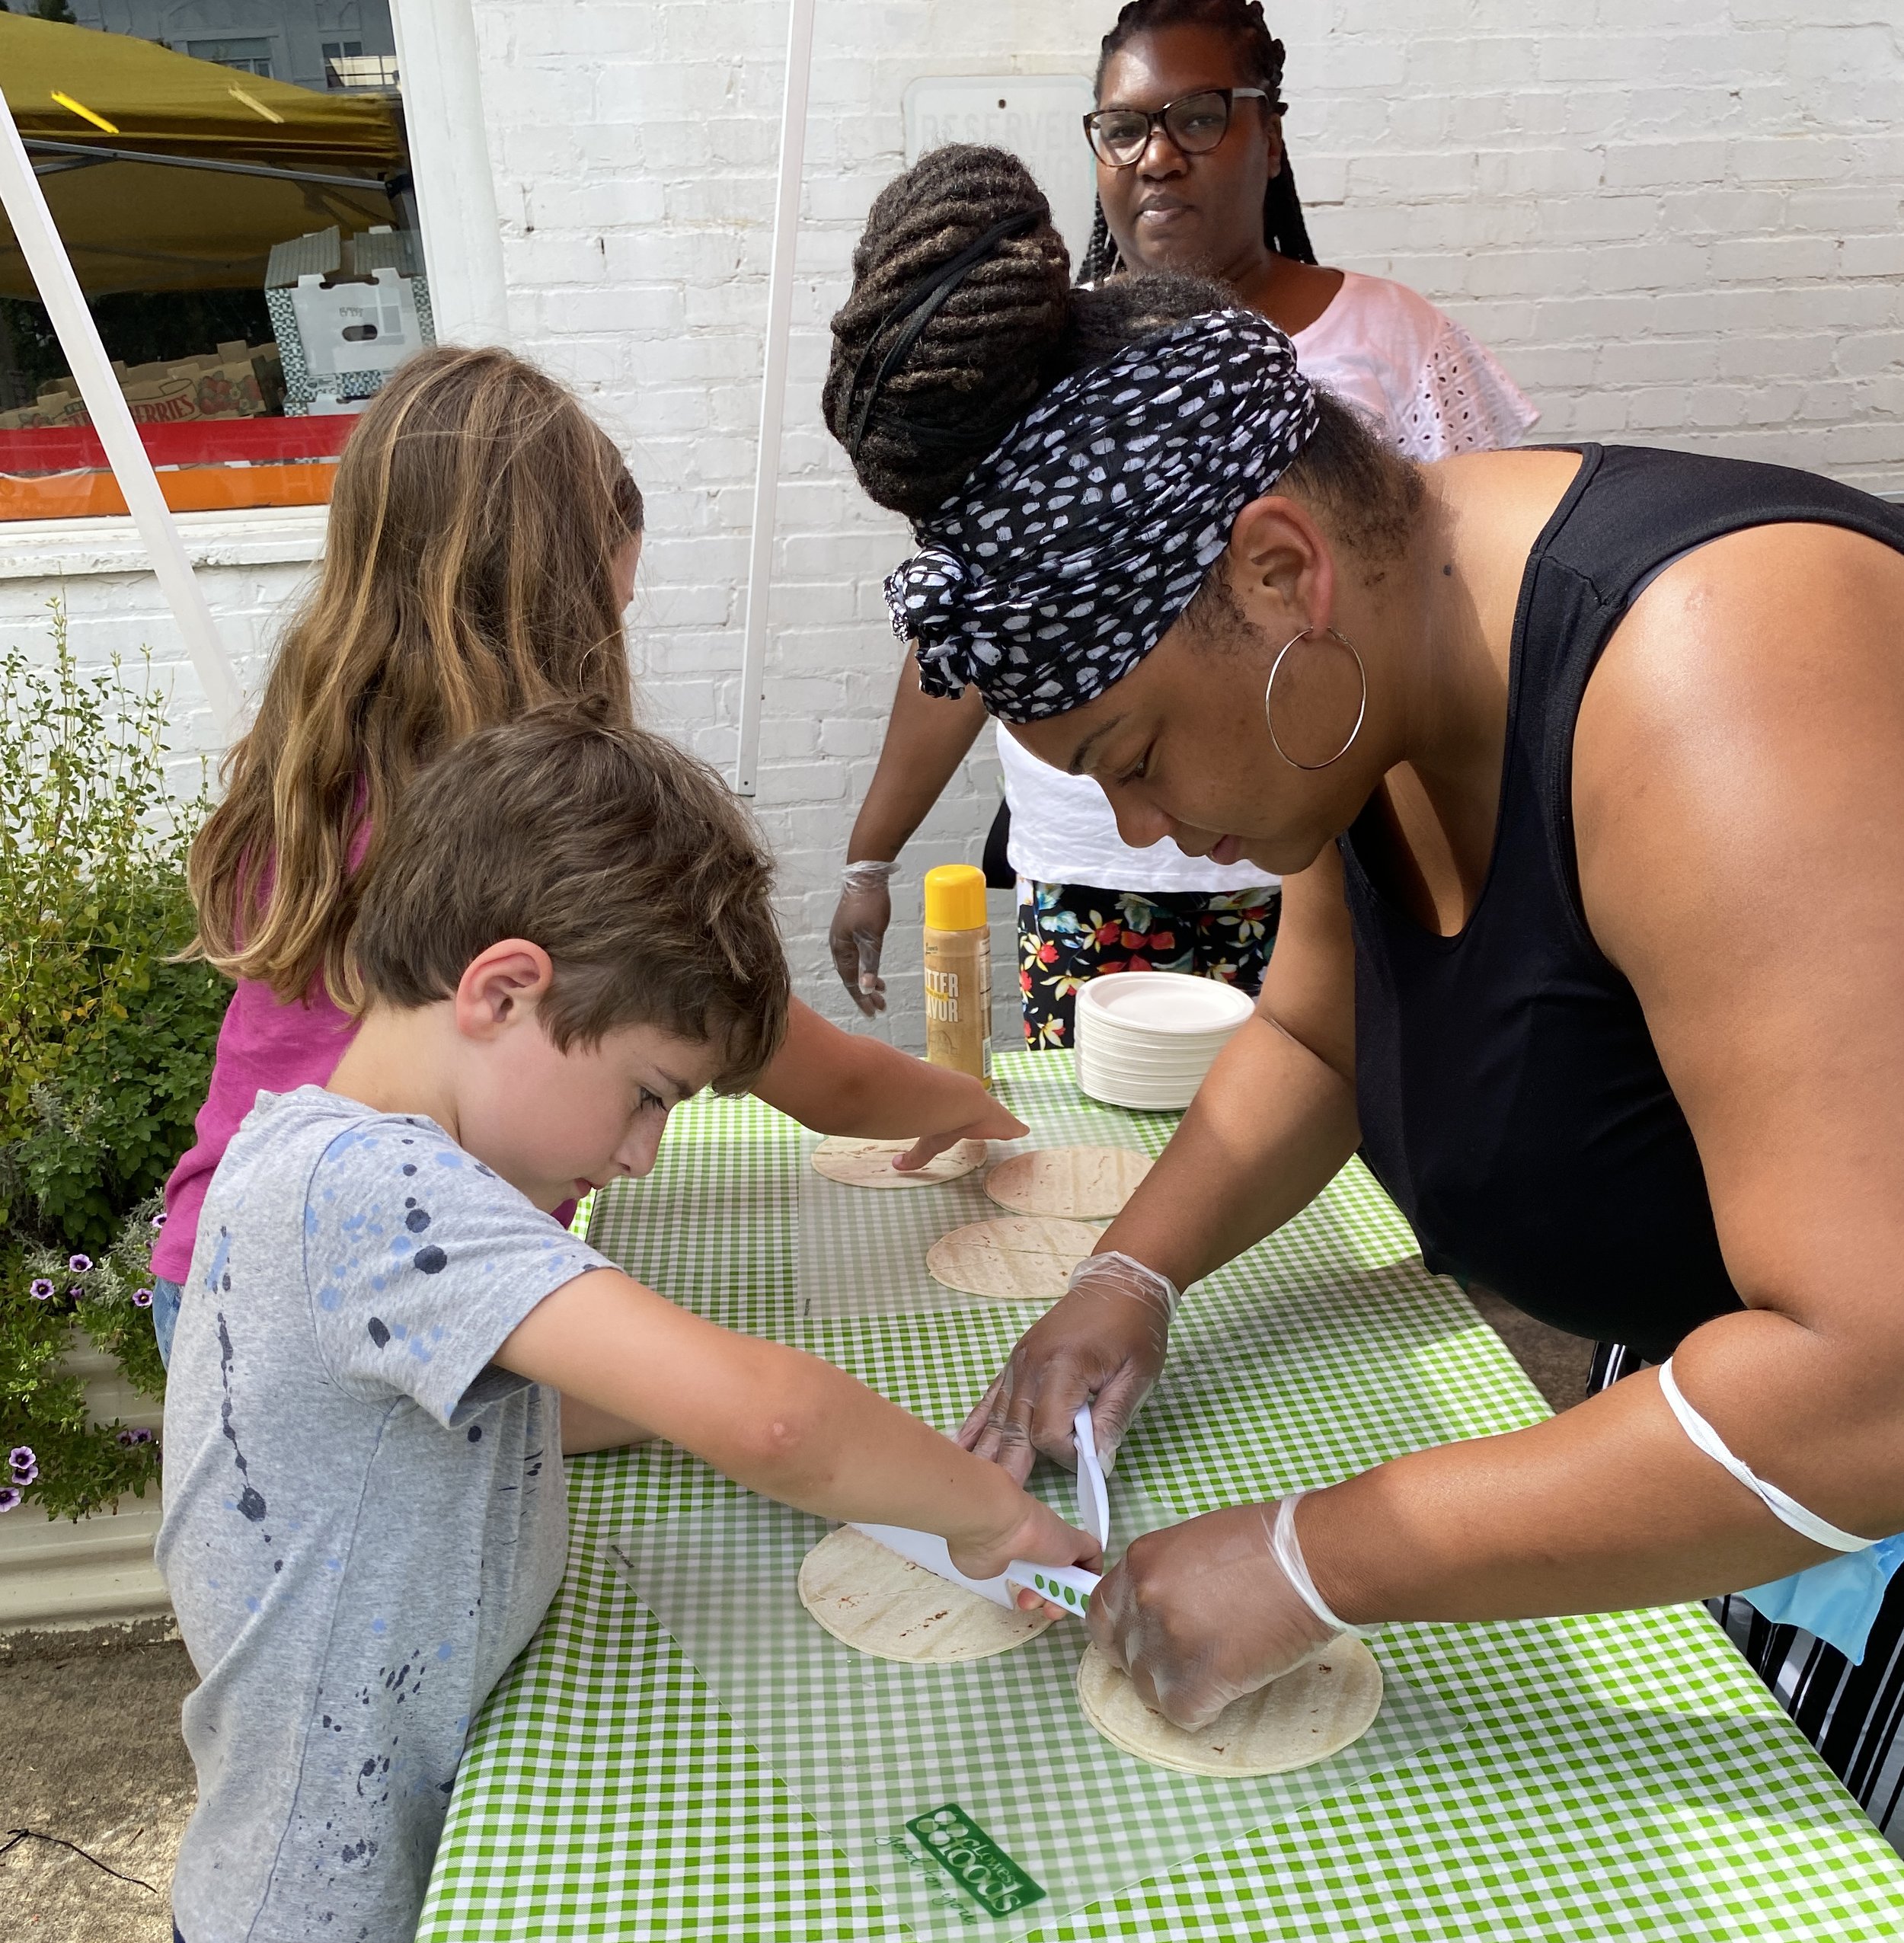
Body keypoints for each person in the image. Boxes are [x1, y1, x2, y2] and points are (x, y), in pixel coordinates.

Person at [823, 154, 1904, 1846]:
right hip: (1729, 1433)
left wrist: (1311, 1556)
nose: (1144, 830)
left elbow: (1867, 1379)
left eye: (1132, 756)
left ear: (1275, 571)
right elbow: (1321, 1035)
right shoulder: (1362, 690)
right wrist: (1128, 1268)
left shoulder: (1708, 674)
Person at [161, 707, 1098, 1943]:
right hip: (327, 1931)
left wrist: (755, 1405)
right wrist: (981, 1511)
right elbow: (762, 1414)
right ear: (504, 989)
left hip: (400, 1859)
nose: (649, 1153)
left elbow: (583, 1396)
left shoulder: (337, 1157)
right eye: (653, 1092)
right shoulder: (379, 1190)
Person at [150, 344, 1024, 1367]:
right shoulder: (524, 845)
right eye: (612, 609)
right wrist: (962, 1100)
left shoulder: (310, 768)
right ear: (554, 612)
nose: (619, 636)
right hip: (367, 1311)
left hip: (213, 1272)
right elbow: (809, 1071)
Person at [827, 0, 1534, 1047]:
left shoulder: (1391, 338)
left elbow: (1476, 588)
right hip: (1089, 883)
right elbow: (973, 636)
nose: (1156, 156)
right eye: (1123, 128)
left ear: (1272, 134)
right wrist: (870, 855)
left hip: (1328, 839)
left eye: (1198, 117)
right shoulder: (1046, 371)